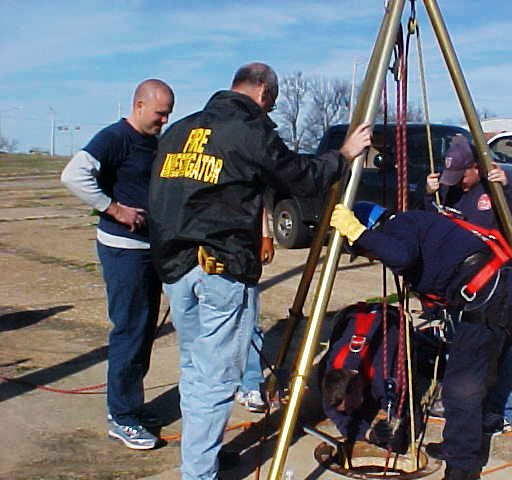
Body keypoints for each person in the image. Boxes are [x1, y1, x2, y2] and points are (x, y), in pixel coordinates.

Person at [148, 62, 371, 480]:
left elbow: (160, 198)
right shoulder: (249, 131)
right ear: (265, 93)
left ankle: (202, 457)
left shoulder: (180, 130)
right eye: (272, 103)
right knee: (213, 381)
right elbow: (298, 177)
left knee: (195, 370)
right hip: (219, 269)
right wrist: (342, 157)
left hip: (177, 269)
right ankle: (198, 473)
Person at [330, 201, 512, 480]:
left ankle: (461, 468)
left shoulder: (399, 226)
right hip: (503, 285)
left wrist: (359, 233)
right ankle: (465, 441)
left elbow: (401, 257)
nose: (370, 256)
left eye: (364, 250)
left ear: (371, 229)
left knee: (461, 388)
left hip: (490, 292)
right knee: (482, 373)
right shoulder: (412, 225)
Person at [60, 79, 175, 450]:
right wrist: (113, 208)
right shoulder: (114, 138)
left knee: (143, 332)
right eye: (160, 113)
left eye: (168, 114)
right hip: (123, 250)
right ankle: (121, 417)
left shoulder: (152, 142)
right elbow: (73, 175)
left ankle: (131, 406)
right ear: (140, 105)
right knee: (129, 330)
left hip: (148, 250)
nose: (164, 120)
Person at [424, 138, 512, 434]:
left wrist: (508, 186)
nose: (458, 183)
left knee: (499, 352)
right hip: (463, 283)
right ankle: (461, 406)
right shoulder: (450, 188)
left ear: (476, 167)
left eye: (462, 175)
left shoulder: (498, 186)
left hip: (498, 280)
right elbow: (431, 223)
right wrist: (429, 195)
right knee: (456, 346)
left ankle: (501, 412)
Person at [320, 302, 405, 452]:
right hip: (351, 315)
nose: (350, 413)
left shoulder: (383, 376)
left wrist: (393, 429)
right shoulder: (329, 373)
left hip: (391, 319)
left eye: (351, 407)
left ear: (355, 389)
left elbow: (398, 408)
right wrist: (368, 434)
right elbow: (332, 411)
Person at [236, 208, 274, 413]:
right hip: (209, 254)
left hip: (244, 255)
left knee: (250, 324)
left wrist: (265, 236)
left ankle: (250, 386)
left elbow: (258, 199)